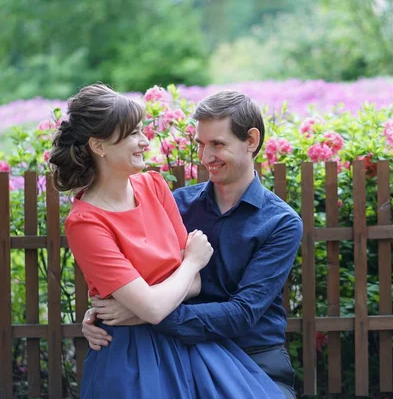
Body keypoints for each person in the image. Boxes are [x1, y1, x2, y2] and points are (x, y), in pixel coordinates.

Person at [50, 83, 284, 399]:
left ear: (251, 141)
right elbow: (168, 292)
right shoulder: (85, 222)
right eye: (132, 134)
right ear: (99, 146)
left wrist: (138, 309)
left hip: (194, 346)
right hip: (132, 355)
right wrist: (188, 264)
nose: (145, 141)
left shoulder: (155, 187)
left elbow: (194, 287)